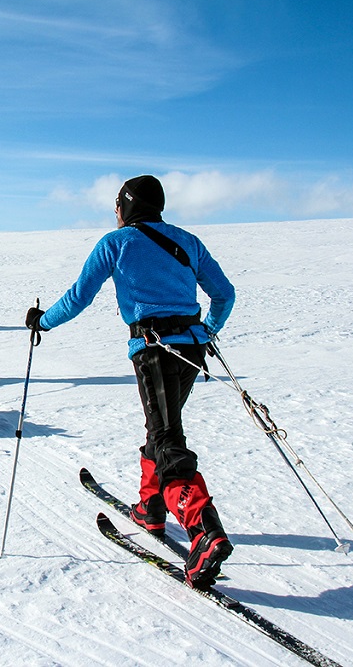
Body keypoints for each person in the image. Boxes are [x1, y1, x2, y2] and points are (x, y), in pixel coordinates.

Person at [25, 175, 236, 590]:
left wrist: (42, 321)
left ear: (127, 205)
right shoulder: (187, 240)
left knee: (167, 435)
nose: (114, 213)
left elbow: (79, 297)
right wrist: (207, 332)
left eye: (116, 205)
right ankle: (151, 506)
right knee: (160, 428)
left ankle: (204, 530)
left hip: (153, 349)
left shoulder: (116, 242)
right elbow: (224, 293)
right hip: (190, 350)